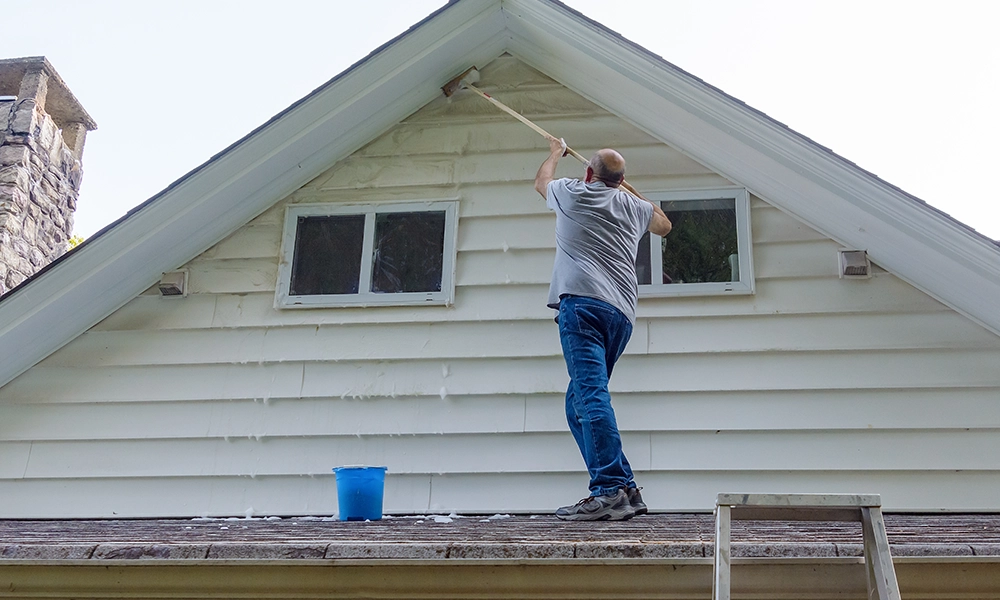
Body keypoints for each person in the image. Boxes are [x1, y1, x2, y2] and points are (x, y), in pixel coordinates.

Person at [534, 136, 672, 521]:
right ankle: (626, 488)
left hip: (582, 306)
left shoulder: (572, 193)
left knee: (590, 397)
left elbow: (541, 183)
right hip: (621, 315)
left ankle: (609, 491)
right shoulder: (634, 206)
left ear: (589, 172)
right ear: (621, 179)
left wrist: (553, 154)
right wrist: (631, 191)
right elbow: (664, 224)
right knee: (579, 402)